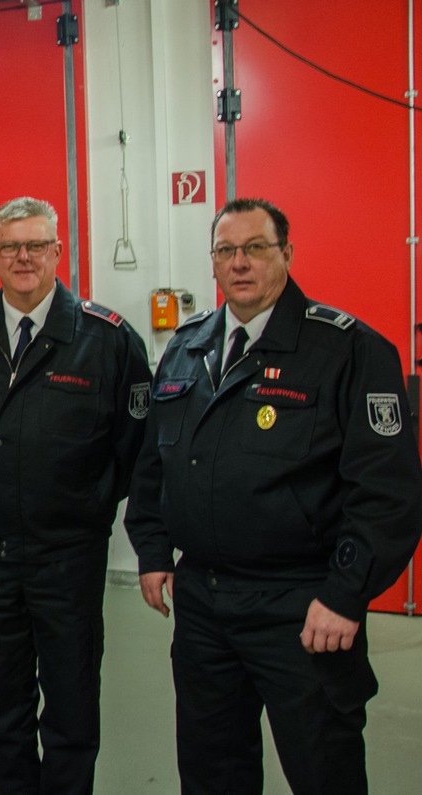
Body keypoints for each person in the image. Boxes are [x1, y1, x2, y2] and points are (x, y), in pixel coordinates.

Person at [124, 197, 422, 794]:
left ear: (286, 254)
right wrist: (154, 552)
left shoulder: (349, 350)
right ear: (212, 262)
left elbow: (387, 493)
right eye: (227, 251)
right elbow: (155, 466)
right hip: (204, 605)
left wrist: (345, 594)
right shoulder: (186, 348)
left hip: (303, 609)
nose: (241, 263)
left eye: (256, 248)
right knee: (212, 771)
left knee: (323, 770)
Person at [0, 196, 151, 793]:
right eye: (10, 246)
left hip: (67, 558)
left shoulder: (108, 341)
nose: (23, 257)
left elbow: (134, 451)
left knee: (73, 699)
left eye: (36, 245)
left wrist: (85, 508)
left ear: (58, 251)